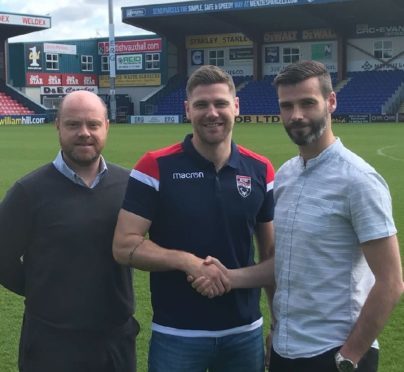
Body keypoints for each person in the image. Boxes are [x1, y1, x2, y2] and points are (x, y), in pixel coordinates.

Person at [194, 60, 404, 372]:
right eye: (287, 105)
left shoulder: (359, 181)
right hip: (286, 349)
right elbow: (286, 265)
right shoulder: (286, 175)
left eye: (307, 103)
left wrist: (349, 357)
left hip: (335, 352)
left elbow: (391, 282)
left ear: (331, 102)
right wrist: (229, 277)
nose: (296, 116)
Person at [112, 64, 276, 372]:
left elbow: (273, 257)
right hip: (176, 334)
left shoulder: (260, 170)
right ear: (188, 109)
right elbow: (124, 245)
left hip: (244, 332)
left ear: (236, 107)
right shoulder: (155, 166)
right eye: (201, 104)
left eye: (220, 103)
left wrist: (277, 323)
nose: (211, 112)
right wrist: (188, 262)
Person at [0, 90, 138, 372]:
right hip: (51, 344)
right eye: (73, 124)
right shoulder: (28, 192)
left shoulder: (130, 185)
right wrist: (40, 289)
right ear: (58, 126)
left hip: (115, 341)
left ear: (107, 127)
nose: (84, 133)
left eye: (93, 125)